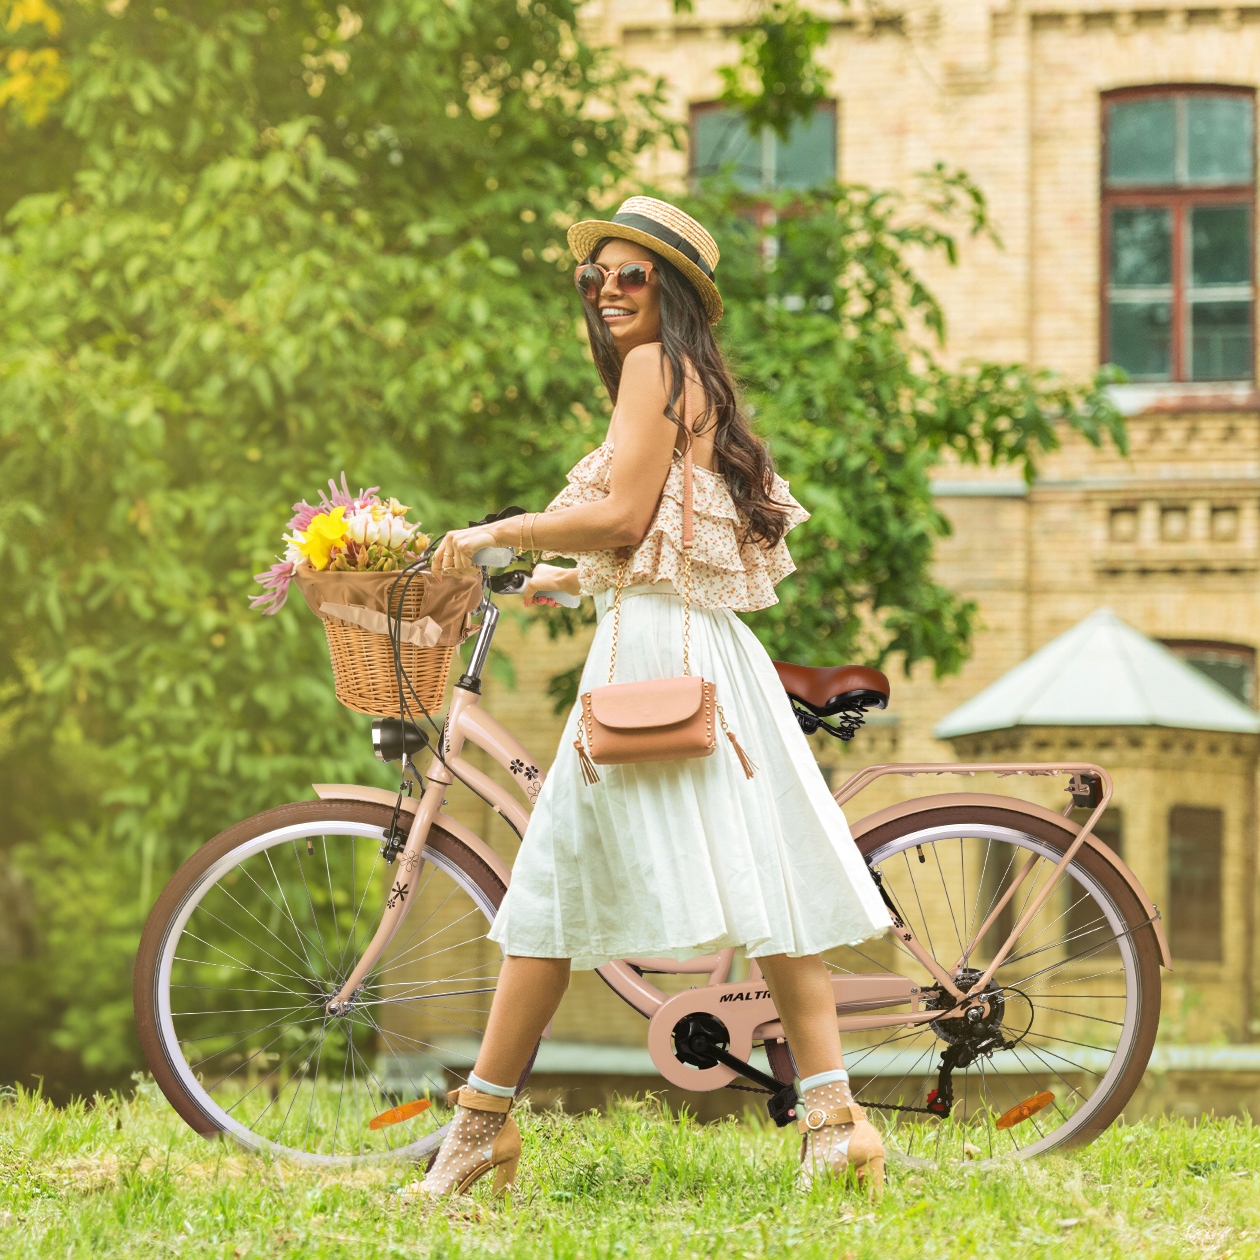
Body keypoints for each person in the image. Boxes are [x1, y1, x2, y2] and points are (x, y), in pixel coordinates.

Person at [425, 197, 891, 1198]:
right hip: (705, 652)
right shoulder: (692, 380)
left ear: (671, 290)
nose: (607, 290)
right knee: (767, 891)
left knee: (549, 888)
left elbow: (623, 515)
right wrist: (559, 577)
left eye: (630, 274)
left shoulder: (652, 369)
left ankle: (478, 1131)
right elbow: (655, 536)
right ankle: (835, 1123)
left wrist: (495, 534)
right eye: (593, 276)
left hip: (651, 660)